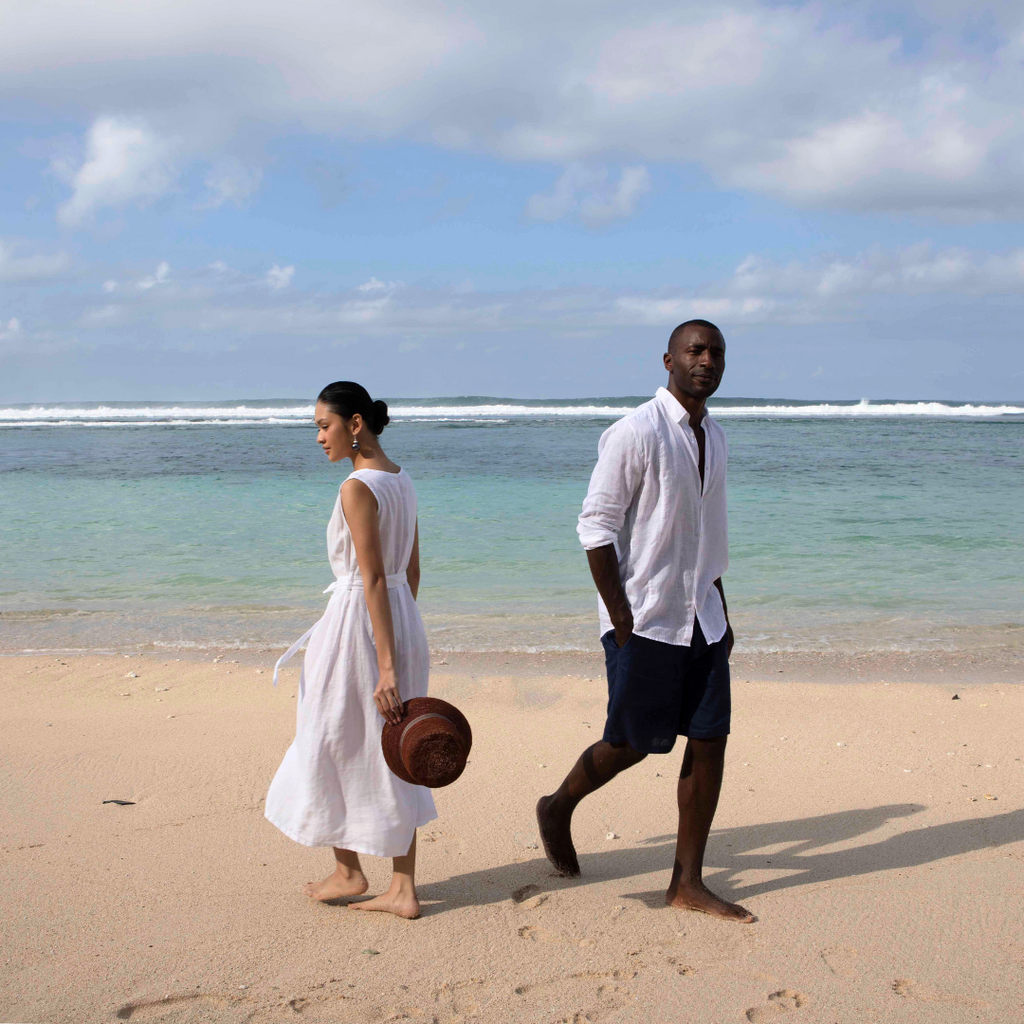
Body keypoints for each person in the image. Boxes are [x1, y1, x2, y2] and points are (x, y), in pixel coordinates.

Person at [536, 320, 754, 923]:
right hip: (646, 617)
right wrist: (622, 619)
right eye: (695, 351)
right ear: (668, 360)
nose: (707, 360)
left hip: (703, 618)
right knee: (632, 742)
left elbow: (704, 538)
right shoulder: (636, 432)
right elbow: (595, 528)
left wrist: (722, 608)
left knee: (709, 740)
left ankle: (686, 883)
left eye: (716, 352)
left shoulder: (717, 436)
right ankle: (557, 806)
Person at [265, 381, 435, 920]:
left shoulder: (357, 488)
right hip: (401, 620)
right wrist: (401, 642)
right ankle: (394, 885)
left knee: (329, 737)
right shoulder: (400, 478)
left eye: (324, 425)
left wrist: (384, 664)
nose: (318, 436)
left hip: (359, 629)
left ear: (354, 423)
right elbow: (408, 571)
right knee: (396, 749)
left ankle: (352, 872)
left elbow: (373, 580)